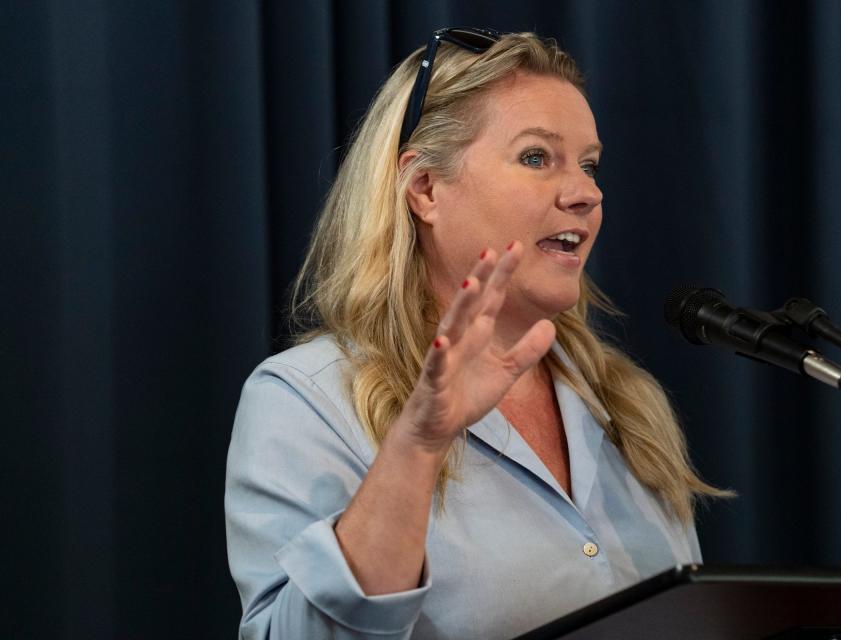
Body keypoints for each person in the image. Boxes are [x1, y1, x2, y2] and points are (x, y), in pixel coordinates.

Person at [225, 28, 727, 640]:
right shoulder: (308, 399)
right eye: (537, 157)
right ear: (425, 189)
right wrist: (420, 441)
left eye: (590, 165)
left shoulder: (627, 404)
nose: (587, 193)